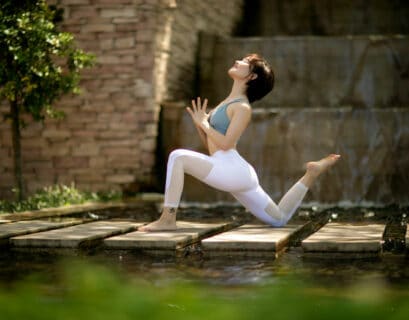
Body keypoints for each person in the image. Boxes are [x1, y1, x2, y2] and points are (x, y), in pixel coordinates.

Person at [139, 53, 340, 231]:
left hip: (231, 168)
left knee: (178, 156)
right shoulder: (226, 103)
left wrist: (204, 124)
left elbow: (226, 144)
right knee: (278, 219)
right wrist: (200, 125)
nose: (237, 61)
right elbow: (213, 145)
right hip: (231, 168)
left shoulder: (242, 108)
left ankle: (167, 219)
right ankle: (311, 173)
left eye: (245, 62)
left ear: (251, 76)